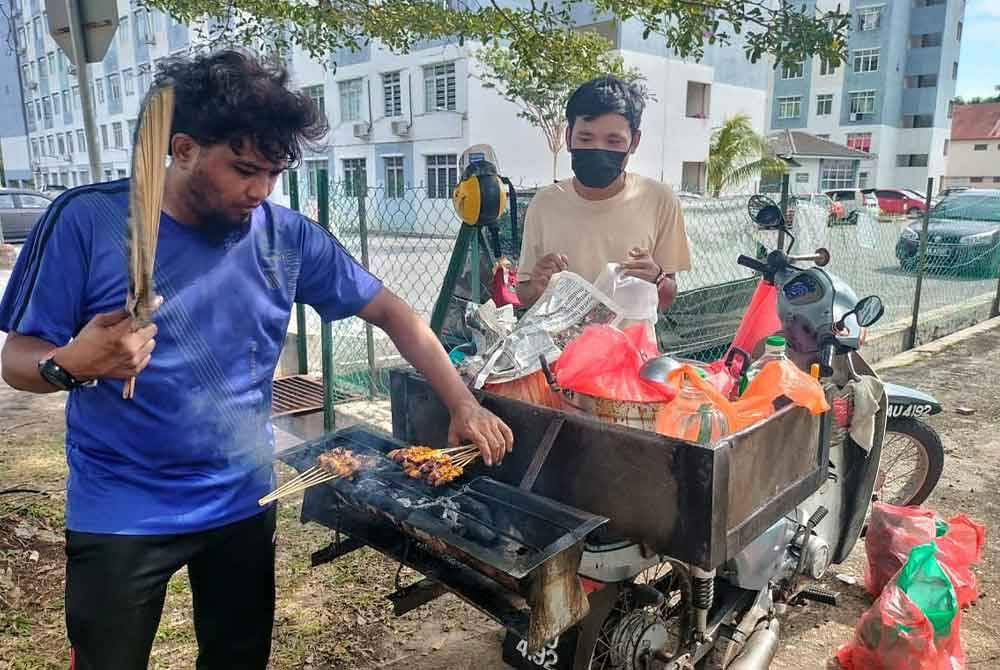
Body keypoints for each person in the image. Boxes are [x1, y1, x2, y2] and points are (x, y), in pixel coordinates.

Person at [0, 50, 513, 670]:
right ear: (184, 149)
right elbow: (18, 361)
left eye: (273, 172)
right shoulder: (90, 221)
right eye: (245, 169)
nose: (260, 190)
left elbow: (395, 313)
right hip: (122, 504)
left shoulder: (284, 235)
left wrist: (461, 403)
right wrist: (75, 362)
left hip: (243, 498)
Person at [516, 76, 691, 309]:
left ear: (634, 142)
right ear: (568, 137)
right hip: (563, 345)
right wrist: (537, 284)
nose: (598, 149)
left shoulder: (659, 200)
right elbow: (525, 294)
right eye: (586, 138)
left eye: (613, 141)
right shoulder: (544, 204)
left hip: (631, 344)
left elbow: (667, 299)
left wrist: (657, 278)